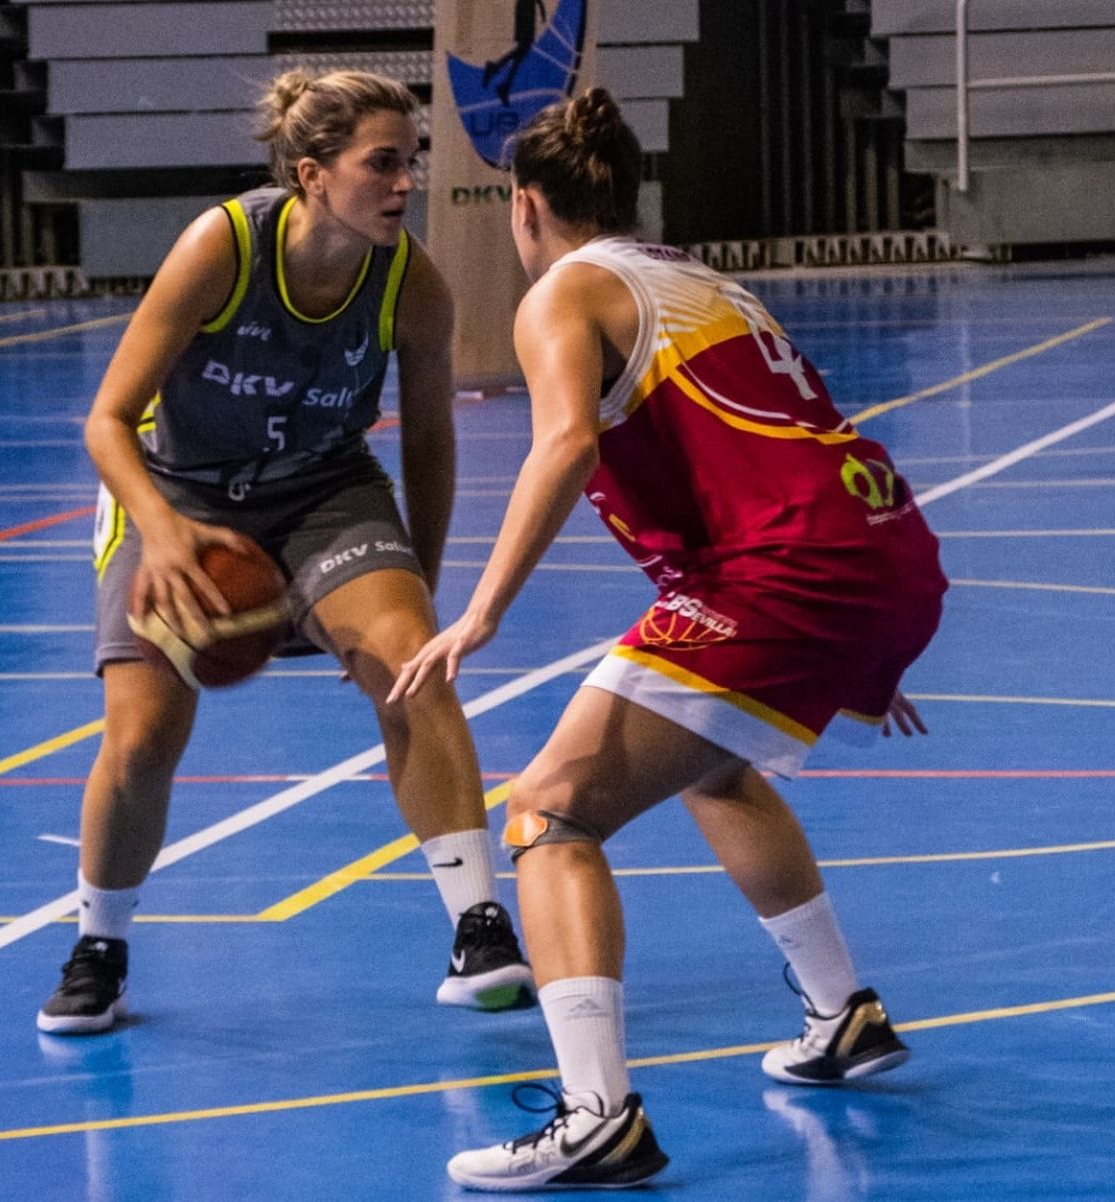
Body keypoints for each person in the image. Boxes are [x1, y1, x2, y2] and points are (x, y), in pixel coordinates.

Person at [390, 88, 947, 1191]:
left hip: (786, 571)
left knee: (549, 806)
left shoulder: (563, 292)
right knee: (714, 761)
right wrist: (865, 641)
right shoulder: (697, 281)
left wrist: (484, 605)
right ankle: (839, 1013)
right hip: (883, 548)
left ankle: (595, 1113)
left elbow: (560, 449)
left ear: (526, 203)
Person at [37, 69, 535, 1035]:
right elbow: (104, 420)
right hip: (172, 488)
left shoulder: (413, 283)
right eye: (382, 164)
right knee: (141, 740)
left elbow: (430, 444)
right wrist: (165, 528)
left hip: (322, 489)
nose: (404, 184)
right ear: (312, 173)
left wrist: (415, 589)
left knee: (412, 673)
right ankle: (99, 945)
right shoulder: (222, 247)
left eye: (410, 163)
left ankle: (480, 926)